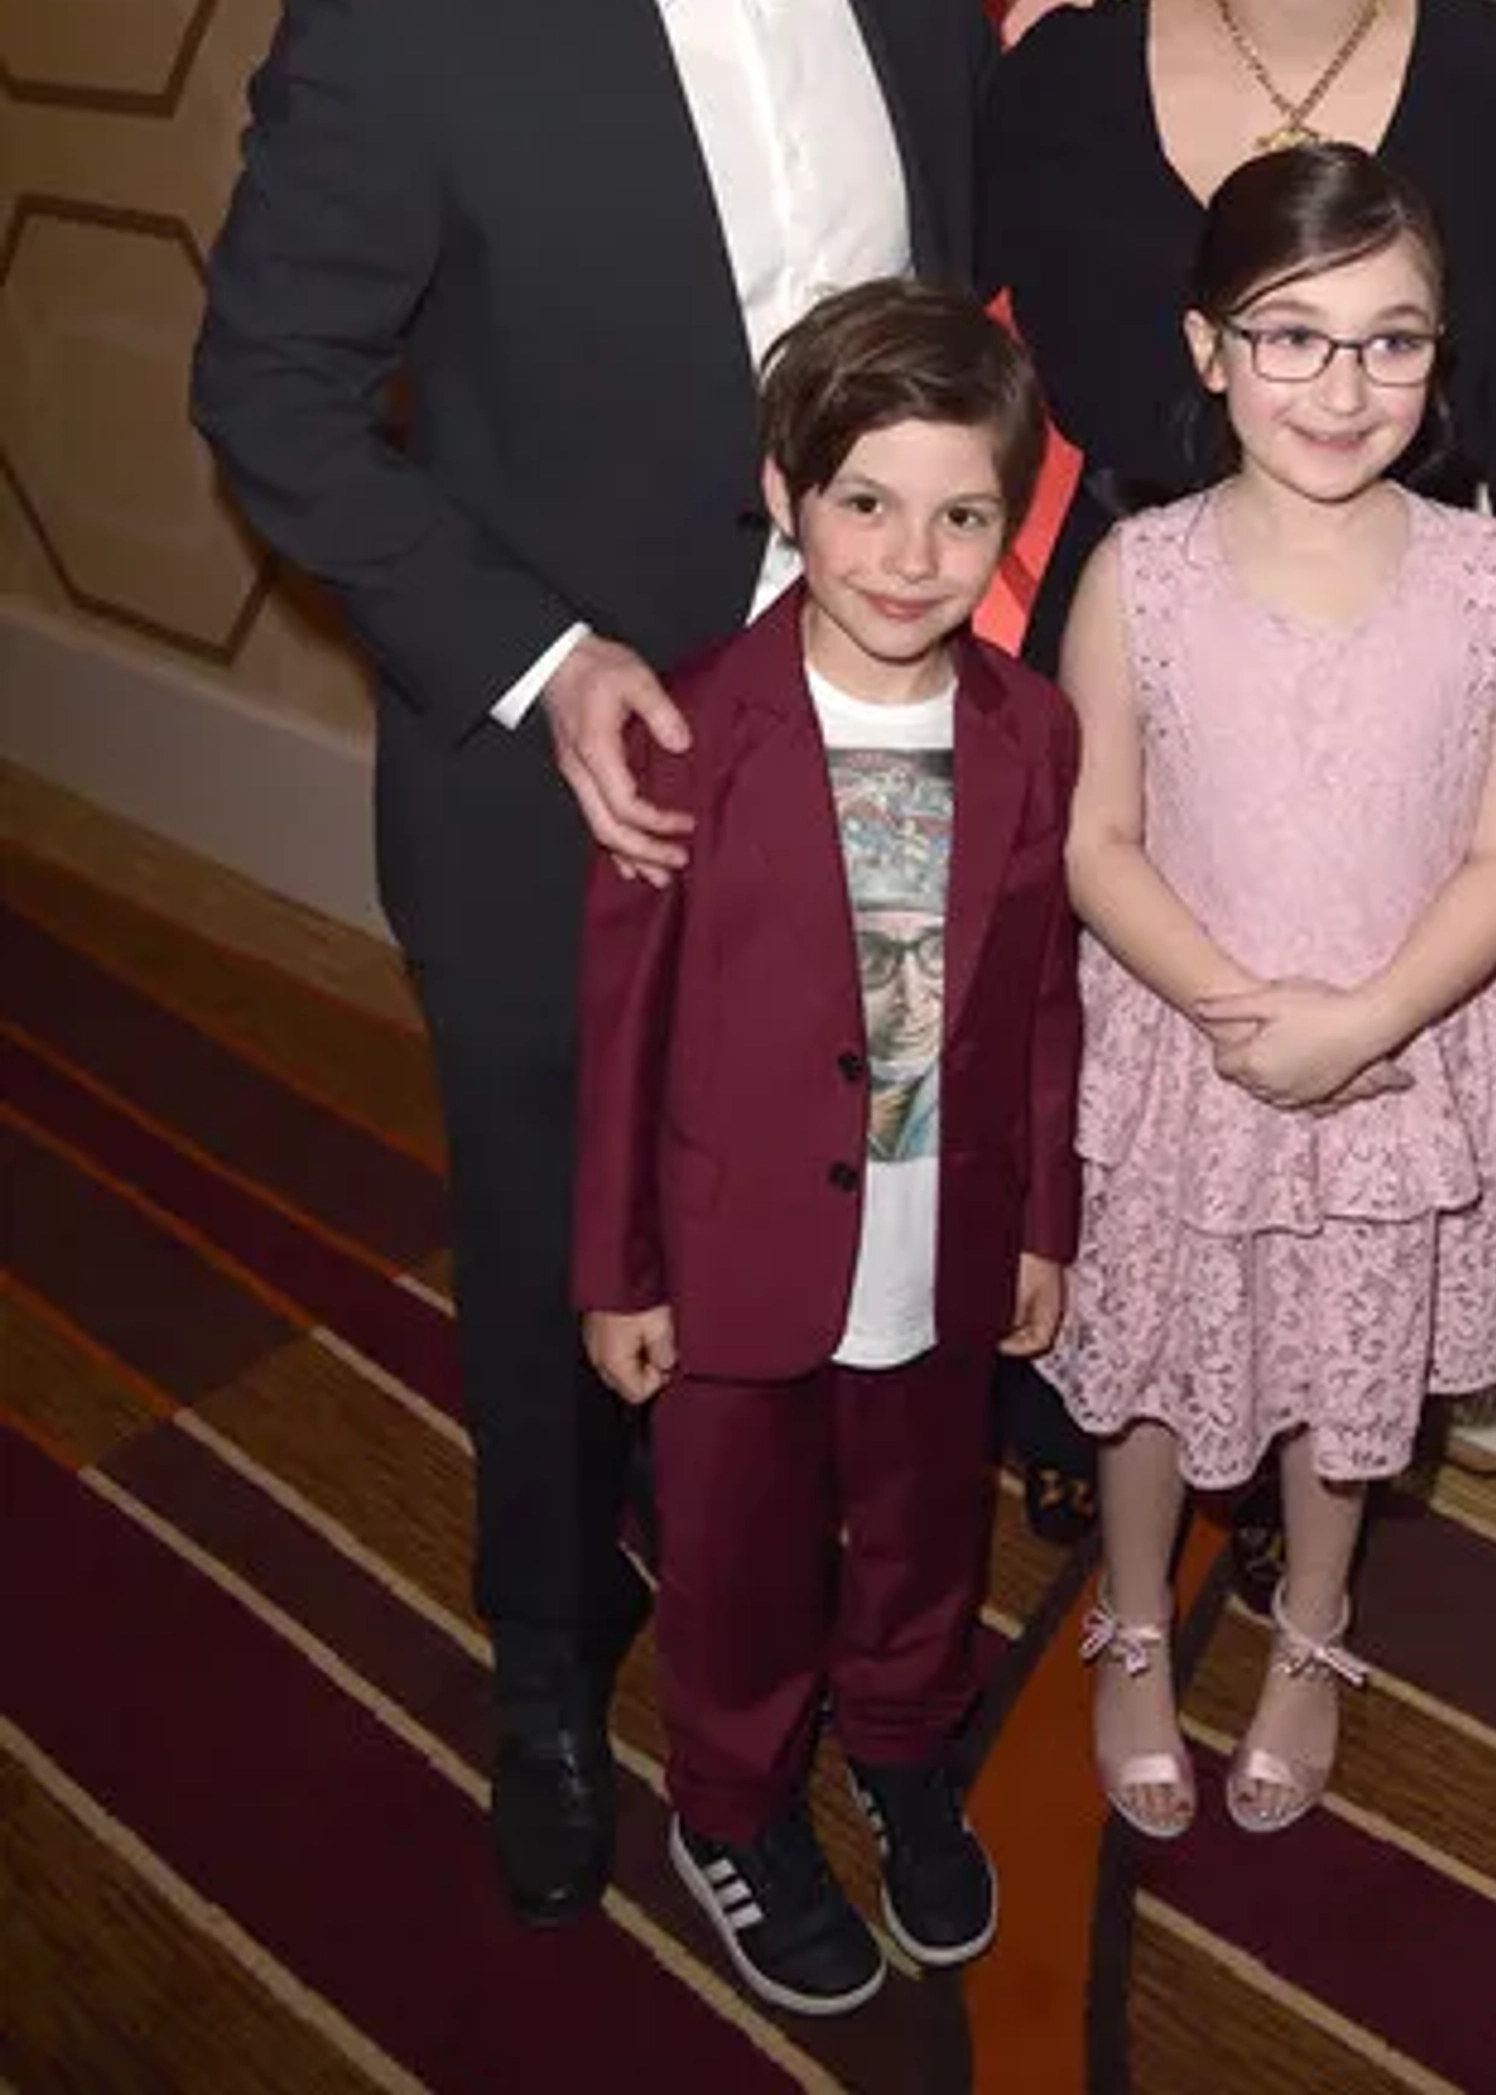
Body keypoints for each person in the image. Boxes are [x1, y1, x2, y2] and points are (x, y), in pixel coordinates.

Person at [191, 0, 995, 1927]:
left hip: (864, 758)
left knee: (829, 1245)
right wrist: (541, 664)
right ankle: (547, 1662)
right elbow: (271, 393)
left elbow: (945, 338)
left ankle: (825, 1652)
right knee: (566, 1266)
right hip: (562, 776)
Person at [980, 0, 1496, 1556]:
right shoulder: (1055, 83)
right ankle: (1111, 1425)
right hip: (1118, 675)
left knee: (1342, 1069)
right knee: (1119, 1115)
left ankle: (1294, 1454)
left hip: (1384, 697)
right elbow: (961, 380)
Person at [1050, 143, 1496, 1839]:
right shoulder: (1141, 574)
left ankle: (1311, 1624)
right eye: (1293, 335)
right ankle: (1131, 1614)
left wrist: (1364, 1022)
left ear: (1440, 356)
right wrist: (1236, 1010)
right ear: (1210, 347)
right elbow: (1096, 837)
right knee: (1143, 1364)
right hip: (1187, 1046)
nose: (1343, 386)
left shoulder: (1495, 576)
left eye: (1392, 340)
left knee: (1352, 1379)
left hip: (1401, 1056)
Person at [573, 281, 1080, 2016]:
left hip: (944, 1233)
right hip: (730, 1253)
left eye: (962, 513)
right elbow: (624, 1025)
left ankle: (901, 1739)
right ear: (785, 491)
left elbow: (1044, 1004)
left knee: (928, 1521)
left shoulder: (1031, 729)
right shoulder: (691, 725)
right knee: (734, 1548)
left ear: (1013, 525)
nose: (909, 554)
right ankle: (732, 1798)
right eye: (865, 500)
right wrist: (618, 1269)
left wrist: (1043, 1219)